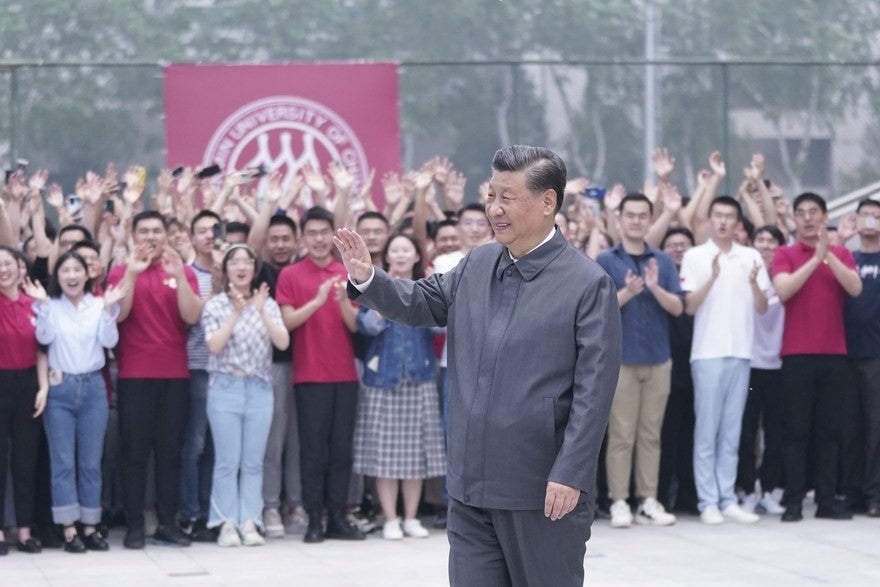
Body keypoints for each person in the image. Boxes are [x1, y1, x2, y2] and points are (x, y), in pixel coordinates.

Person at [334, 145, 622, 587]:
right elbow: (423, 301)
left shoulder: (587, 283)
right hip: (470, 486)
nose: (494, 209)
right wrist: (368, 279)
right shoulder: (479, 262)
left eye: (508, 197)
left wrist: (570, 474)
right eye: (491, 196)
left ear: (548, 202)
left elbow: (594, 393)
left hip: (542, 491)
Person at [106, 211, 203, 549]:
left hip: (175, 376)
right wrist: (132, 273)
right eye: (144, 230)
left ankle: (167, 524)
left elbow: (191, 316)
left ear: (167, 235)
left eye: (157, 231)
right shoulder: (120, 272)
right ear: (133, 235)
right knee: (134, 454)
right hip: (134, 375)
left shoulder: (183, 271)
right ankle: (134, 527)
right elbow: (120, 315)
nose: (151, 236)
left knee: (170, 453)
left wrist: (179, 275)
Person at [24, 251, 126, 553]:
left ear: (87, 275)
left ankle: (91, 526)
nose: (71, 276)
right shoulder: (49, 306)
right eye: (65, 270)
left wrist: (109, 311)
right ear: (58, 276)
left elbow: (110, 343)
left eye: (77, 270)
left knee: (91, 462)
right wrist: (42, 306)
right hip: (60, 387)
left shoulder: (100, 305)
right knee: (63, 462)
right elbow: (43, 337)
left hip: (94, 386)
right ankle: (69, 528)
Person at [276, 207, 364, 544]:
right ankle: (314, 519)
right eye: (311, 233)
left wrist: (342, 299)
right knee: (312, 451)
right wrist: (315, 301)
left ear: (333, 235)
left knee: (341, 451)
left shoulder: (347, 272)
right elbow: (287, 323)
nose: (318, 239)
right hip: (309, 377)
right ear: (302, 237)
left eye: (323, 232)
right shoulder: (290, 275)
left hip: (344, 376)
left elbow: (356, 325)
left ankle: (338, 517)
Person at [680, 196, 769, 525]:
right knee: (707, 430)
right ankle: (708, 501)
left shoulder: (751, 256)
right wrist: (713, 277)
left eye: (729, 217)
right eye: (717, 215)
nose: (722, 222)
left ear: (738, 223)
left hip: (741, 352)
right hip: (707, 353)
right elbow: (689, 306)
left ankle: (727, 497)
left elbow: (763, 306)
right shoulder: (695, 256)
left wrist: (753, 285)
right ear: (710, 220)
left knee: (732, 431)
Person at [773, 193, 862, 521]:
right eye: (801, 213)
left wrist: (829, 256)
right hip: (797, 355)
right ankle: (794, 502)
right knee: (796, 431)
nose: (808, 218)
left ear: (825, 217)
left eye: (814, 212)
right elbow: (783, 290)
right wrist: (814, 259)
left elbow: (854, 288)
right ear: (794, 219)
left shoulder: (840, 253)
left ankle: (826, 501)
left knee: (830, 433)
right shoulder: (785, 253)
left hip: (834, 355)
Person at [352, 234, 446, 540]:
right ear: (388, 256)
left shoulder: (427, 286)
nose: (402, 254)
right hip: (383, 379)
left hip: (418, 376)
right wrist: (383, 299)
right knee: (384, 454)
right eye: (396, 250)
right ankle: (390, 517)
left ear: (416, 255)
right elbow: (366, 326)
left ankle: (411, 517)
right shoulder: (374, 284)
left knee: (416, 453)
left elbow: (439, 326)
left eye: (408, 249)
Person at [597, 193, 683, 528]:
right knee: (621, 433)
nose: (635, 221)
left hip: (658, 358)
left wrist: (653, 287)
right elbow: (598, 309)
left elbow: (679, 307)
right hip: (621, 360)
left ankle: (648, 499)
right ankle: (619, 500)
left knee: (651, 433)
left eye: (642, 215)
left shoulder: (661, 260)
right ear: (619, 220)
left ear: (650, 219)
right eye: (629, 215)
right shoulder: (606, 259)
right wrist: (629, 292)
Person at [202, 244, 289, 546]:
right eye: (234, 262)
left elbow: (282, 341)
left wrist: (260, 310)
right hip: (225, 387)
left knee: (254, 461)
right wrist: (236, 313)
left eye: (246, 262)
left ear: (254, 268)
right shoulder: (214, 305)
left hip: (260, 388)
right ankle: (225, 521)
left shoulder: (267, 303)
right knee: (228, 460)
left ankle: (250, 519)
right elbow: (214, 346)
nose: (241, 267)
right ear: (225, 270)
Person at [0, 245, 48, 555]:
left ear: (20, 268)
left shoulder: (36, 305)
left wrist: (43, 387)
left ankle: (25, 530)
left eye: (7, 264)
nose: (3, 270)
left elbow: (43, 349)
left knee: (26, 460)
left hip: (29, 383)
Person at [737, 225, 787, 515]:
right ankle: (746, 489)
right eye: (761, 239)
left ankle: (769, 490)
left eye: (772, 240)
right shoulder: (745, 272)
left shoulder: (785, 276)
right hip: (750, 363)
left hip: (778, 364)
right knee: (746, 431)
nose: (766, 245)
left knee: (775, 431)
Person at [179, 210, 222, 542]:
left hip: (228, 371)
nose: (209, 235)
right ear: (191, 238)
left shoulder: (236, 268)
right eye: (202, 230)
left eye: (215, 229)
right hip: (196, 368)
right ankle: (191, 513)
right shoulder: (186, 274)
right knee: (194, 445)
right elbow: (191, 318)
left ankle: (213, 513)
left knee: (217, 448)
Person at [844, 198, 880, 517]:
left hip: (875, 355)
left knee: (875, 427)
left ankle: (874, 494)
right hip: (844, 353)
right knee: (849, 426)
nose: (870, 221)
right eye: (864, 215)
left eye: (876, 216)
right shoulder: (848, 258)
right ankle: (852, 490)